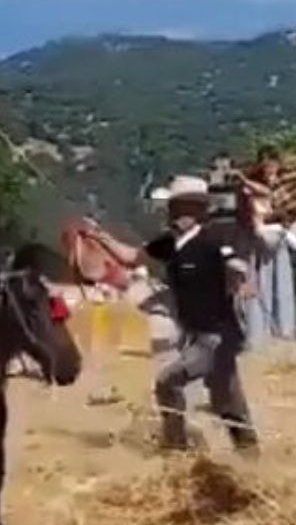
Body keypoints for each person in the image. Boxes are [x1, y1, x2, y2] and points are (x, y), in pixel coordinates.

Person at [83, 176, 259, 455]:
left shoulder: (216, 238)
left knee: (170, 381)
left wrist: (239, 279)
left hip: (217, 337)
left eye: (180, 207)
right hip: (199, 335)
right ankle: (247, 452)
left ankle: (176, 448)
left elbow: (236, 267)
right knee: (226, 399)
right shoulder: (171, 243)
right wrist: (99, 236)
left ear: (197, 209)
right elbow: (132, 257)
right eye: (174, 207)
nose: (175, 212)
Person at [231, 146, 296, 343]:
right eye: (266, 166)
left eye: (273, 165)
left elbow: (280, 202)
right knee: (260, 285)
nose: (270, 169)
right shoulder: (247, 190)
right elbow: (249, 214)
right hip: (257, 242)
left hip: (278, 241)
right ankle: (259, 334)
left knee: (282, 285)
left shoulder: (283, 187)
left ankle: (284, 331)